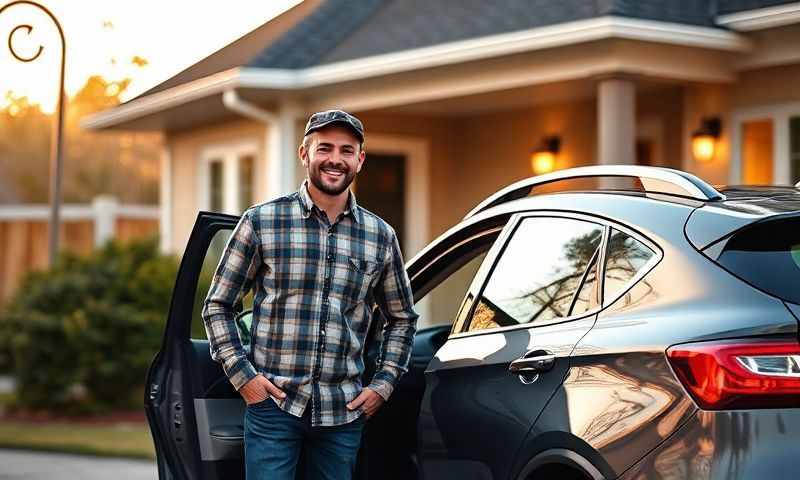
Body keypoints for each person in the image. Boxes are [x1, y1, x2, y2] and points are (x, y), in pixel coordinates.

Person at [201, 109, 418, 480]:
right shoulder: (261, 221)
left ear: (360, 160)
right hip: (273, 408)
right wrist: (244, 378)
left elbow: (402, 319)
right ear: (305, 154)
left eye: (347, 151)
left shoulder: (381, 236)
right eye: (325, 148)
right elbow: (218, 305)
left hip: (343, 413)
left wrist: (383, 385)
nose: (335, 159)